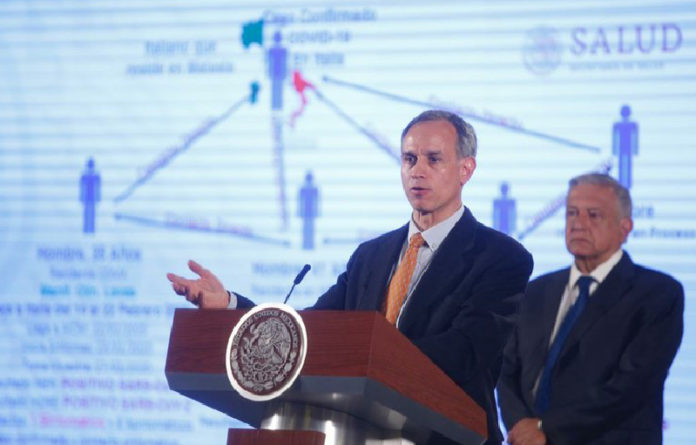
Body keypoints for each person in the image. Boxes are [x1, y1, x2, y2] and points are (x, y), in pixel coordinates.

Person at [167, 109, 534, 444]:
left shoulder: (501, 258)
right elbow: (312, 332)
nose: (417, 170)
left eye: (433, 159)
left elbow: (468, 351)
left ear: (466, 169)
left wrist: (372, 360)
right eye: (409, 159)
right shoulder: (371, 256)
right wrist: (232, 305)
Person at [497, 173, 684, 445]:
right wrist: (521, 427)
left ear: (625, 227)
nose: (578, 224)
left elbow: (632, 386)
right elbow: (507, 372)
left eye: (593, 215)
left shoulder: (657, 294)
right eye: (572, 213)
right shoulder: (535, 291)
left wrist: (544, 428)